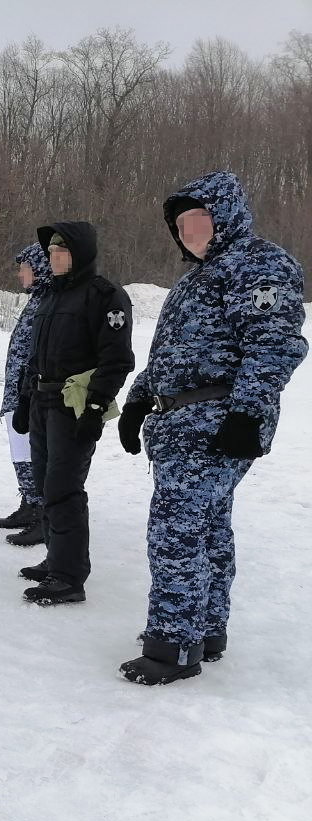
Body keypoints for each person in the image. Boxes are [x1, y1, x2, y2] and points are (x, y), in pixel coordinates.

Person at [116, 171, 307, 684]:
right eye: (177, 225)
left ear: (222, 216)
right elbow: (170, 357)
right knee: (208, 529)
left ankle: (172, 648)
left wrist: (247, 413)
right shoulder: (197, 279)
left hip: (216, 423)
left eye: (194, 219)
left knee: (177, 533)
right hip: (181, 424)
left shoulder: (258, 264)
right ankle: (204, 630)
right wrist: (138, 402)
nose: (185, 232)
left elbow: (274, 344)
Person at [11, 222, 135, 604]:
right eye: (50, 253)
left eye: (61, 251)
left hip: (73, 407)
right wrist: (23, 401)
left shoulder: (105, 296)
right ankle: (55, 559)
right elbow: (34, 358)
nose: (54, 259)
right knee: (46, 486)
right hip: (42, 404)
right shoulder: (50, 297)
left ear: (79, 253)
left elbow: (116, 360)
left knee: (64, 490)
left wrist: (95, 409)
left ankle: (68, 577)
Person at [0, 243, 51, 543]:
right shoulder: (37, 300)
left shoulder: (50, 301)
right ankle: (30, 503)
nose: (19, 274)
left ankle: (43, 512)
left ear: (40, 269)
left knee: (36, 453)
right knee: (20, 452)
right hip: (18, 394)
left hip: (34, 395)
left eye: (24, 268)